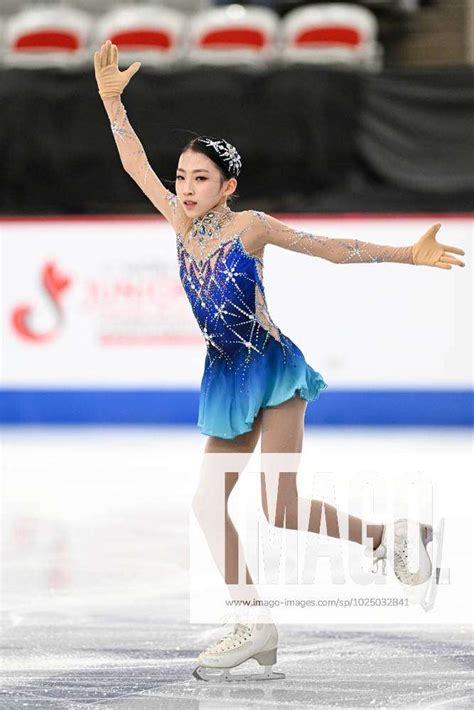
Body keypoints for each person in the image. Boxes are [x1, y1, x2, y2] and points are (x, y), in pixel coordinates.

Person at [94, 40, 465, 682]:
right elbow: (134, 166)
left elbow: (329, 248)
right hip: (224, 374)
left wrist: (408, 254)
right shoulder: (183, 228)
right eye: (181, 177)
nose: (184, 189)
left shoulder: (251, 227)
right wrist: (111, 105)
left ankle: (371, 548)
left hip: (272, 368)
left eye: (199, 179)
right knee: (216, 506)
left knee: (278, 504)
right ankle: (265, 615)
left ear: (228, 187)